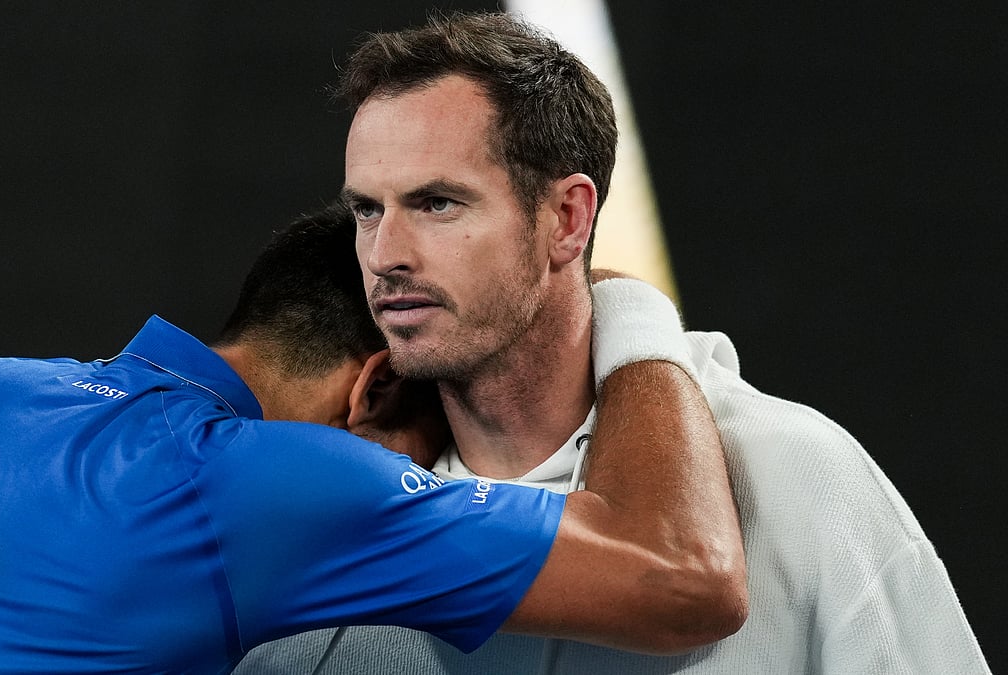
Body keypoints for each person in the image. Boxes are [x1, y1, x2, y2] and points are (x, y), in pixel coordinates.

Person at [235, 11, 989, 674]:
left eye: (437, 203)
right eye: (368, 210)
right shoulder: (332, 523)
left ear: (567, 218)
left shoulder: (797, 476)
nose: (385, 252)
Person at [0, 204, 746, 673]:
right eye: (438, 445)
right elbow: (683, 575)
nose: (446, 469)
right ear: (374, 386)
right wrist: (624, 303)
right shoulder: (277, 482)